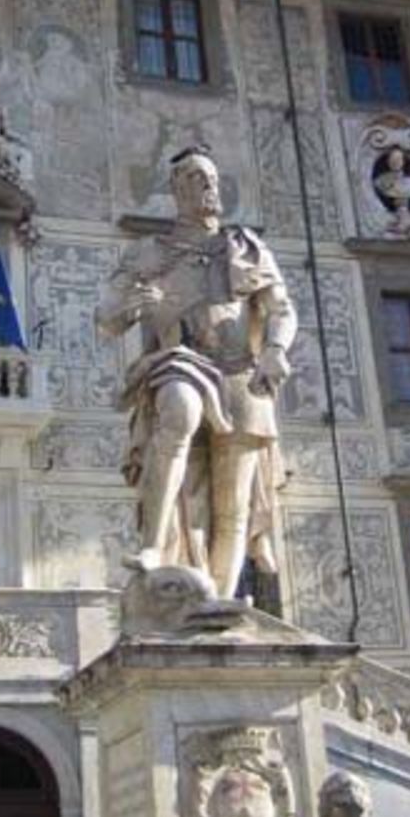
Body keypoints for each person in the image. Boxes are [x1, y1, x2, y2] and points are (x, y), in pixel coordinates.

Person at [97, 146, 297, 599]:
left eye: (210, 176)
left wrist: (275, 350)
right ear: (176, 190)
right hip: (181, 361)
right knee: (179, 409)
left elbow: (281, 309)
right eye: (193, 178)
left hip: (241, 374)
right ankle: (153, 547)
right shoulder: (150, 252)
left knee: (233, 504)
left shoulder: (245, 246)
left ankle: (218, 601)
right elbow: (107, 317)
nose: (207, 185)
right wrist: (132, 306)